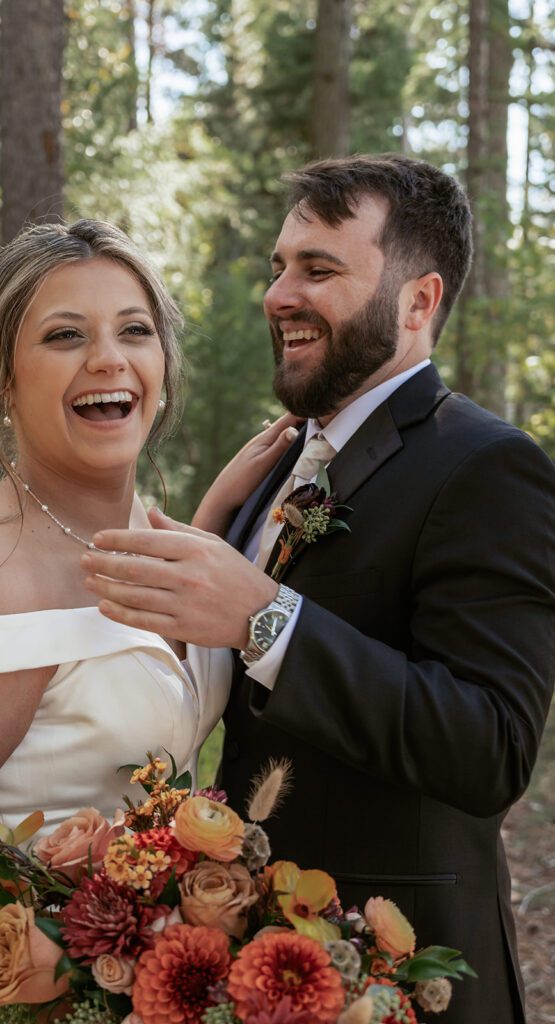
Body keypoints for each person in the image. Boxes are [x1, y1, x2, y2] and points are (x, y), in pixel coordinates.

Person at [81, 155, 555, 1024]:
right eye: (278, 267)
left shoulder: (486, 467)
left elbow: (490, 746)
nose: (277, 295)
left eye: (319, 269)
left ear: (418, 302)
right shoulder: (281, 463)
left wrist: (267, 621)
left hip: (404, 978)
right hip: (256, 965)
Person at [0, 219, 233, 1022]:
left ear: (162, 364)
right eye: (66, 335)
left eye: (133, 331)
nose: (108, 358)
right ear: (1, 378)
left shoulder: (159, 539)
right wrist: (36, 1009)